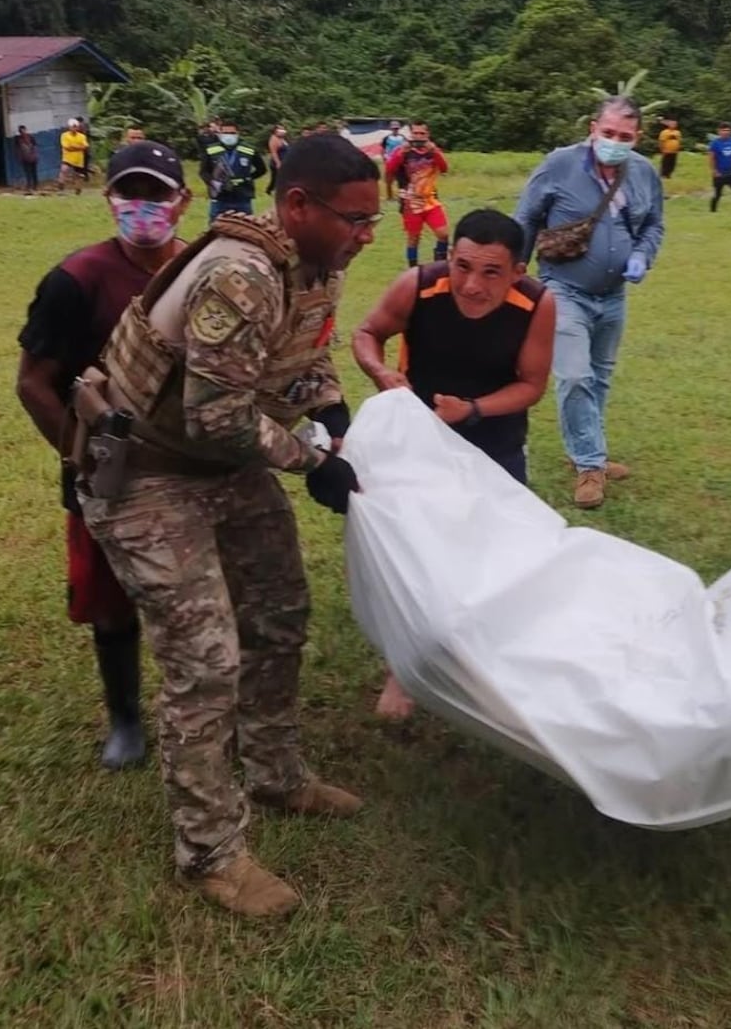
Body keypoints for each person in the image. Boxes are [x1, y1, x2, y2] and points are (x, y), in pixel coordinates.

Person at [77, 134, 382, 917]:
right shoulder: (239, 274)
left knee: (279, 611)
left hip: (223, 463)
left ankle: (276, 774)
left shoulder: (315, 266)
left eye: (371, 220)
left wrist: (327, 404)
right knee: (205, 660)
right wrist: (313, 464)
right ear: (296, 206)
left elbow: (298, 356)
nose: (366, 233)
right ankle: (209, 852)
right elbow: (217, 418)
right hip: (148, 472)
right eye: (353, 219)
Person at [16, 141, 191, 770]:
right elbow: (33, 381)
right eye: (130, 194)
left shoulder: (206, 274)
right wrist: (80, 457)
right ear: (109, 198)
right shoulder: (77, 280)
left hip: (190, 467)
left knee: (197, 599)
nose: (143, 208)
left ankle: (203, 715)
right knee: (111, 601)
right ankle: (125, 719)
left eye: (156, 195)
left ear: (184, 201)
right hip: (107, 467)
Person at [352, 207, 556, 719]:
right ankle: (402, 671)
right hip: (420, 443)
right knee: (418, 558)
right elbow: (366, 333)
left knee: (500, 554)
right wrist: (381, 373)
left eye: (491, 272)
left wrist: (473, 411)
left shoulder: (536, 304)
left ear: (518, 272)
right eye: (462, 266)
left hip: (495, 440)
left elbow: (532, 385)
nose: (471, 285)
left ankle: (491, 662)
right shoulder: (418, 286)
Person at [515, 95, 664, 510]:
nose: (615, 142)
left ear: (637, 138)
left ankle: (585, 449)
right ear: (592, 129)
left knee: (598, 377)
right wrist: (515, 270)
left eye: (625, 136)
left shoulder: (644, 173)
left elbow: (654, 224)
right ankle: (590, 467)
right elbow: (526, 217)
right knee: (575, 375)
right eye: (609, 133)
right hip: (563, 289)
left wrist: (642, 255)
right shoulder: (559, 164)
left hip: (613, 294)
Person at [386, 122, 449, 267]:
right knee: (413, 238)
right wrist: (401, 153)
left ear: (428, 135)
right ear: (411, 134)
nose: (418, 137)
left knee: (443, 234)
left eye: (422, 134)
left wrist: (436, 152)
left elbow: (444, 168)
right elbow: (390, 169)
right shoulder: (403, 151)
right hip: (410, 202)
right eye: (415, 133)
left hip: (431, 200)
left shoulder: (433, 150)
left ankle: (439, 266)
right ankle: (413, 269)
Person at [200, 121, 266, 223]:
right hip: (220, 197)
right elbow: (203, 172)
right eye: (225, 133)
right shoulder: (211, 149)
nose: (229, 136)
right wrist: (213, 183)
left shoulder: (249, 149)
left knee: (245, 228)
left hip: (242, 196)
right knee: (216, 228)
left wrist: (248, 178)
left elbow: (262, 169)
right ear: (220, 134)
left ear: (238, 133)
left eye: (232, 133)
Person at [59, 118, 88, 194]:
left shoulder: (82, 136)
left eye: (76, 127)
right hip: (67, 157)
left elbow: (85, 146)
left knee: (78, 175)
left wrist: (73, 147)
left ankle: (78, 189)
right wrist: (78, 147)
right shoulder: (64, 135)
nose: (74, 128)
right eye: (73, 127)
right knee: (64, 170)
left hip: (78, 159)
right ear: (69, 127)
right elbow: (66, 147)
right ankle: (61, 184)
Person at [381, 120, 406, 201]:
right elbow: (383, 149)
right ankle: (389, 197)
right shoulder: (386, 138)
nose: (395, 130)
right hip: (390, 161)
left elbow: (406, 148)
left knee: (401, 179)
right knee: (389, 180)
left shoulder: (402, 138)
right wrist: (384, 157)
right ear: (391, 128)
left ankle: (401, 196)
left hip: (400, 161)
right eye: (394, 128)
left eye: (396, 128)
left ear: (399, 128)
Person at [265, 124, 288, 195]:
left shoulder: (282, 139)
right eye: (280, 129)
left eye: (283, 129)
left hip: (284, 161)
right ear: (275, 131)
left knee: (275, 179)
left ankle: (270, 190)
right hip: (276, 162)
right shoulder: (273, 139)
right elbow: (274, 152)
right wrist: (278, 163)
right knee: (277, 178)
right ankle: (275, 191)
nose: (282, 131)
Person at [15, 125, 39, 193]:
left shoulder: (31, 137)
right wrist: (19, 157)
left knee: (34, 172)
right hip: (25, 158)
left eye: (24, 130)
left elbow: (35, 146)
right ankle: (29, 186)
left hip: (32, 157)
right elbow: (18, 149)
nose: (23, 132)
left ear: (26, 130)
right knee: (27, 173)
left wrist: (35, 156)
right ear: (19, 132)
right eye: (21, 131)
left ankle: (35, 185)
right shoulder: (18, 139)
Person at [657, 118, 682, 183]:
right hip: (666, 150)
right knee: (665, 163)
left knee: (672, 163)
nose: (674, 125)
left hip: (674, 151)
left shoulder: (677, 132)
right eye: (672, 124)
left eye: (675, 124)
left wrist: (678, 148)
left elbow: (679, 141)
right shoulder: (664, 132)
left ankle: (669, 174)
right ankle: (663, 174)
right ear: (669, 125)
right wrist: (662, 149)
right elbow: (661, 141)